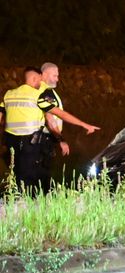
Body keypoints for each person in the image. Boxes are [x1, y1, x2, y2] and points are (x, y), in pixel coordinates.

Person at [34, 62, 100, 192]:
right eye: (55, 76)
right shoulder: (45, 93)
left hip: (43, 138)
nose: (57, 79)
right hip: (45, 139)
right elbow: (51, 119)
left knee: (39, 173)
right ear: (45, 74)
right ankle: (40, 201)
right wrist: (61, 140)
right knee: (43, 175)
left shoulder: (44, 90)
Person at [2, 67, 46, 190]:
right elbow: (54, 115)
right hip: (30, 138)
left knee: (14, 169)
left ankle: (15, 196)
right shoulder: (38, 94)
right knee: (28, 171)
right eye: (39, 80)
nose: (40, 84)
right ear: (34, 78)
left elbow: (1, 112)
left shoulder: (9, 94)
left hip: (10, 138)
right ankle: (25, 199)